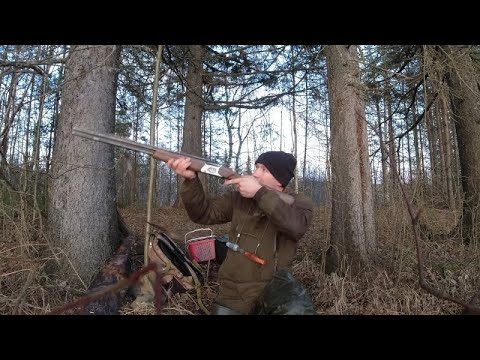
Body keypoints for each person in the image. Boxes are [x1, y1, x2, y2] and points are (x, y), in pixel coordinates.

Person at [167, 151, 314, 315]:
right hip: (235, 291)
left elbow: (296, 227)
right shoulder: (239, 198)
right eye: (256, 167)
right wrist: (191, 180)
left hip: (275, 289)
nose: (255, 173)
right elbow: (203, 213)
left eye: (264, 169)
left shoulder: (299, 203)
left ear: (280, 178)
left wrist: (259, 193)